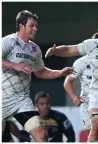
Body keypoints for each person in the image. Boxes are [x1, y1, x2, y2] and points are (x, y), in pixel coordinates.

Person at [2, 10, 74, 142]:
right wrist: (15, 65)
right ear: (21, 26)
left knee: (42, 134)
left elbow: (40, 72)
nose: (35, 29)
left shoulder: (34, 49)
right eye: (32, 25)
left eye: (36, 26)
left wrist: (59, 72)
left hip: (21, 101)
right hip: (2, 99)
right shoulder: (8, 41)